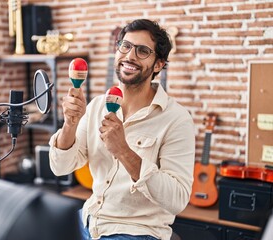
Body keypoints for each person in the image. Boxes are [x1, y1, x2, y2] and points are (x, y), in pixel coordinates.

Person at [49, 19, 195, 240]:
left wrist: (124, 151)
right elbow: (60, 167)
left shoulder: (177, 119)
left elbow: (177, 200)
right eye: (125, 46)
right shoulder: (97, 105)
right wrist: (70, 123)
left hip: (137, 231)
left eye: (143, 51)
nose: (130, 56)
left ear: (158, 65)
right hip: (89, 220)